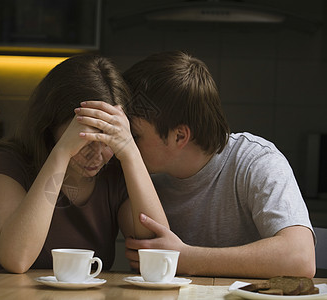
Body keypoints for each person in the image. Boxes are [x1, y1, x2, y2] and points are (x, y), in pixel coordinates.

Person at [113, 50, 314, 278]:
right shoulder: (133, 168)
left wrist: (185, 257)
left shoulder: (256, 161)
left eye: (135, 135)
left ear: (179, 136)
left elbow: (300, 259)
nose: (125, 142)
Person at [0, 54, 169, 273]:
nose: (96, 156)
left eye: (108, 140)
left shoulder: (115, 173)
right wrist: (62, 153)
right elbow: (17, 260)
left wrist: (130, 152)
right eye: (84, 138)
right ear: (51, 124)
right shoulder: (8, 163)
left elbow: (159, 254)